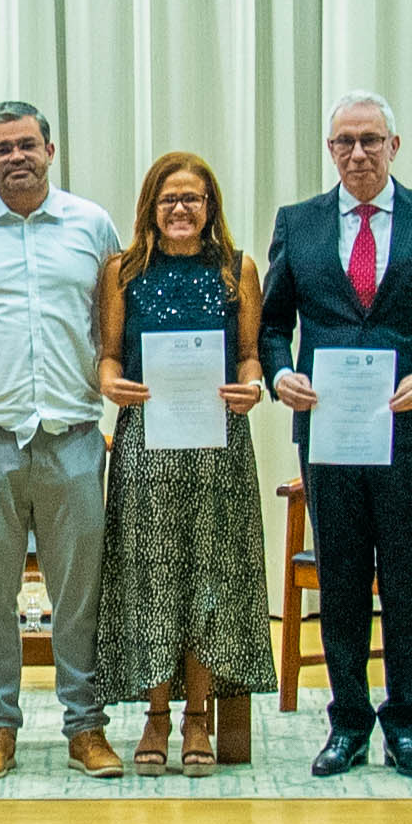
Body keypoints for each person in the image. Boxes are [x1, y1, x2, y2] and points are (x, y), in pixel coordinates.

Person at [261, 91, 412, 779]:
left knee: (407, 580)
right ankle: (348, 720)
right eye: (344, 141)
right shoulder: (298, 223)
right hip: (328, 431)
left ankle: (407, 723)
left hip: (405, 429)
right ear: (329, 150)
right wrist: (278, 373)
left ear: (394, 144)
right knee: (343, 578)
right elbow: (271, 324)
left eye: (370, 139)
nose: (357, 152)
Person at [0, 102, 124, 781]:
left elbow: (109, 320)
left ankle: (84, 726)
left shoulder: (91, 225)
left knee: (79, 591)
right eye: (2, 147)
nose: (17, 156)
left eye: (28, 144)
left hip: (71, 433)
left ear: (51, 149)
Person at [93, 151, 277, 775]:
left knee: (212, 578)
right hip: (147, 442)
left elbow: (251, 356)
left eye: (192, 198)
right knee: (151, 579)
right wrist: (111, 384)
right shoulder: (122, 271)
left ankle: (198, 715)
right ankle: (154, 714)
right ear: (151, 205)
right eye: (169, 198)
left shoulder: (237, 268)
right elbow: (109, 359)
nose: (180, 209)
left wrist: (252, 386)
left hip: (219, 442)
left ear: (210, 206)